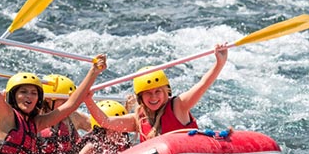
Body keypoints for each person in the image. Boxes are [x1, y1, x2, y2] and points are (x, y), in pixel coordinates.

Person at [86, 44, 228, 141]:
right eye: (148, 93)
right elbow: (106, 121)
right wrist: (88, 100)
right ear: (140, 97)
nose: (153, 97)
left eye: (157, 91)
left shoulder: (178, 106)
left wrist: (219, 63)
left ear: (166, 92)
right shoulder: (138, 119)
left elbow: (202, 85)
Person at [34, 74, 92, 154]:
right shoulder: (36, 119)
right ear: (48, 99)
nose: (69, 105)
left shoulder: (75, 116)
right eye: (64, 101)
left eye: (70, 100)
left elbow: (97, 127)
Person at [69, 99, 133, 154]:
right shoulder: (93, 145)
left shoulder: (122, 140)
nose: (119, 133)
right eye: (114, 130)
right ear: (102, 130)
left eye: (121, 128)